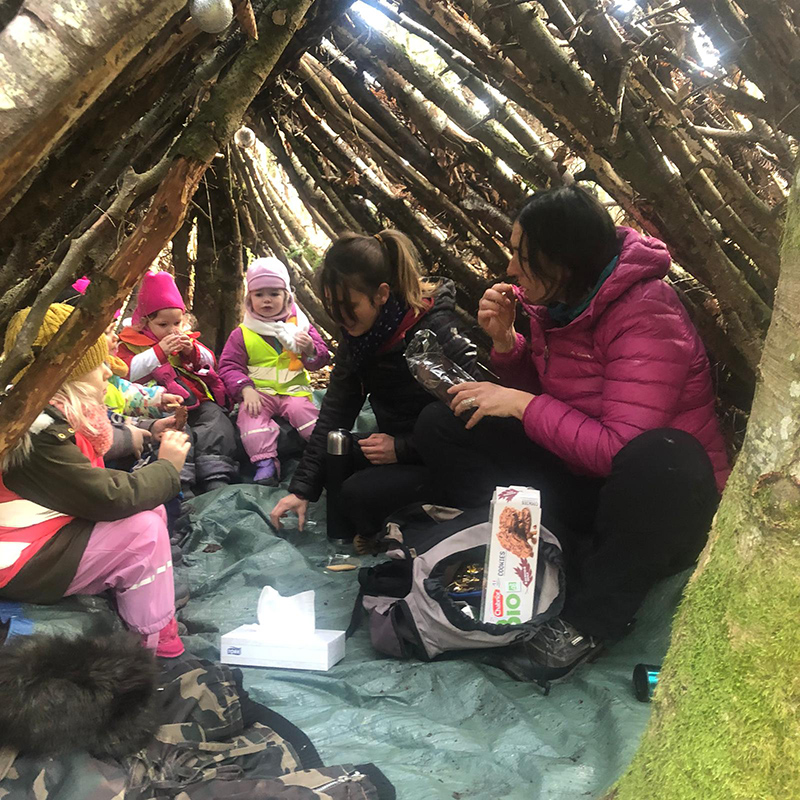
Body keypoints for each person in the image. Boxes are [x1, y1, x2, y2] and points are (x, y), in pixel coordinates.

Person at [415, 185, 730, 681]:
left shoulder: (647, 312)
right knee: (447, 422)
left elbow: (617, 448)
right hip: (584, 481)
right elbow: (556, 399)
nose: (511, 269)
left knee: (665, 454)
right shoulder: (561, 304)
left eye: (522, 256)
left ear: (562, 262)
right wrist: (506, 345)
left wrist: (523, 404)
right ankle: (527, 557)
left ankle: (590, 619)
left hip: (653, 510)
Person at [0, 304, 191, 657]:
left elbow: (98, 463)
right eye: (98, 365)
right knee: (144, 533)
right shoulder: (39, 435)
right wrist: (167, 468)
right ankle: (149, 646)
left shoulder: (54, 416)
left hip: (47, 537)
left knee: (151, 512)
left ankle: (148, 610)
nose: (108, 373)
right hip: (20, 561)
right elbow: (106, 497)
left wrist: (148, 434)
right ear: (67, 376)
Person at [270, 229, 479, 547]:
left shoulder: (432, 330)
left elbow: (471, 419)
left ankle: (442, 517)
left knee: (357, 495)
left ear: (381, 294)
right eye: (331, 306)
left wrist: (402, 447)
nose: (341, 318)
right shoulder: (360, 340)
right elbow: (335, 411)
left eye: (348, 305)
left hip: (446, 458)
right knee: (337, 454)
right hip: (399, 452)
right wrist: (302, 490)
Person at [117, 270, 238, 494]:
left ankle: (216, 473)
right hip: (157, 404)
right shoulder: (130, 343)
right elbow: (125, 373)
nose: (172, 330)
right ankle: (180, 481)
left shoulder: (184, 339)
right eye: (163, 325)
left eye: (177, 323)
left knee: (215, 419)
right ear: (145, 322)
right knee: (179, 430)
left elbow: (210, 361)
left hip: (194, 399)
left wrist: (191, 350)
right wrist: (158, 352)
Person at [219, 258, 330, 486]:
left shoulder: (302, 326)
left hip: (294, 393)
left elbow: (321, 358)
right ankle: (265, 464)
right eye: (259, 294)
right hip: (260, 393)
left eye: (274, 294)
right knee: (250, 420)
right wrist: (245, 389)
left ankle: (322, 455)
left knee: (306, 416)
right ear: (249, 298)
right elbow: (229, 366)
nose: (267, 300)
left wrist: (310, 349)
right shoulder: (243, 333)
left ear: (287, 296)